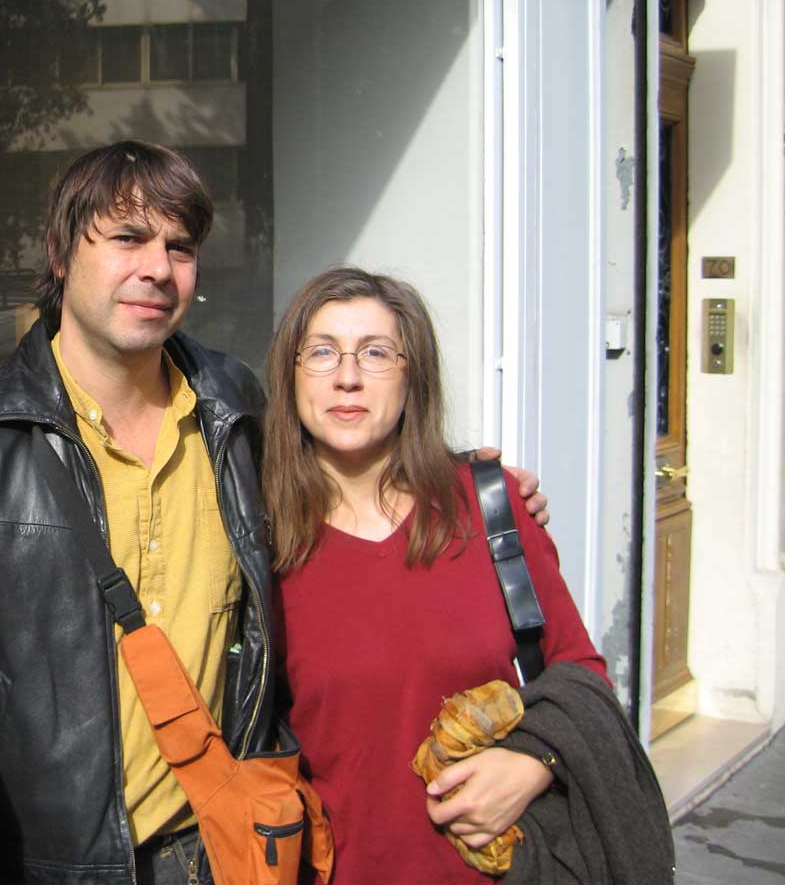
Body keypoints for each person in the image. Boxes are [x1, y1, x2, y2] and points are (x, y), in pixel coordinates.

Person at [0, 145, 546, 885]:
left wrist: (465, 482)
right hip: (48, 868)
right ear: (61, 253)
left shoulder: (234, 407)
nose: (157, 269)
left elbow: (342, 467)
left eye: (180, 247)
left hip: (222, 851)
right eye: (128, 237)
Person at [264, 267, 665, 884]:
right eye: (321, 352)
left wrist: (535, 762)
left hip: (503, 870)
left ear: (413, 376)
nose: (347, 376)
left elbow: (581, 670)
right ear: (290, 375)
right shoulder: (259, 540)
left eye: (376, 353)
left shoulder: (490, 507)